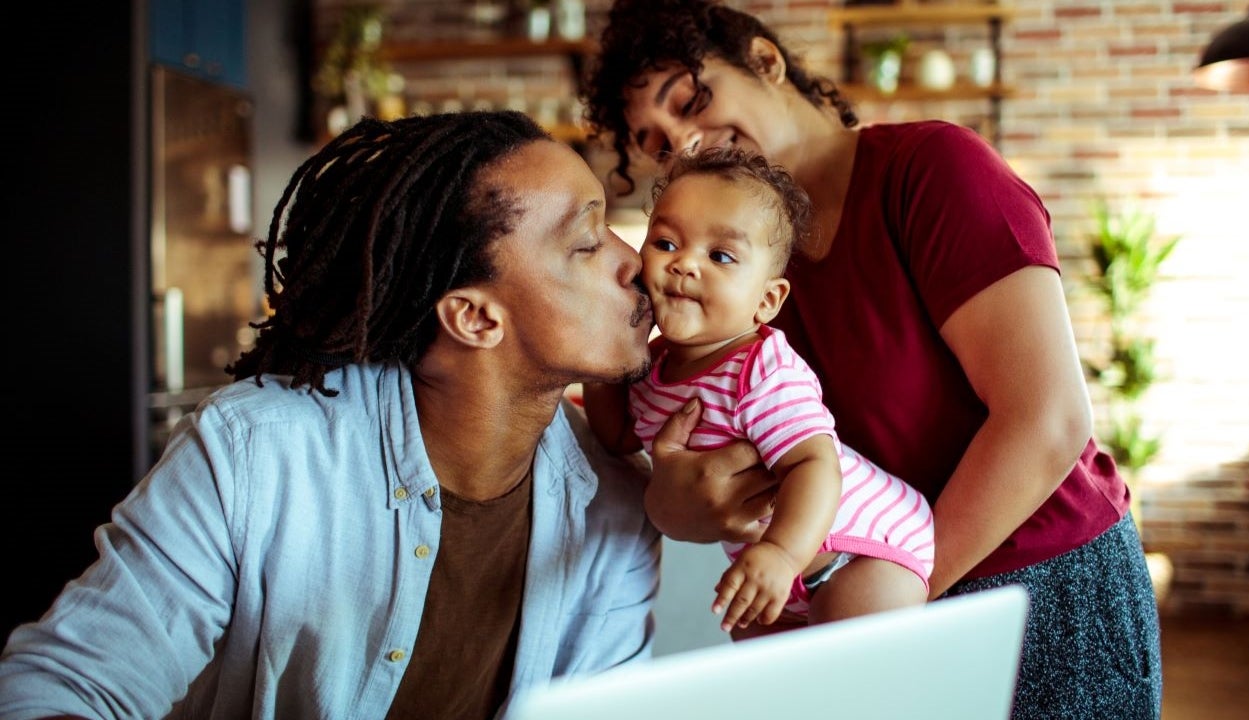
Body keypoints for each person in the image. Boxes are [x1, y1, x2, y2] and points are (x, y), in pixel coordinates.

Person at [580, 1, 1162, 718]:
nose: (688, 142)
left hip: (1040, 586)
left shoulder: (932, 170)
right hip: (864, 601)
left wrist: (893, 605)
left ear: (766, 61)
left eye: (691, 101)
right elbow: (721, 462)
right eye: (658, 143)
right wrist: (681, 506)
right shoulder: (730, 284)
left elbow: (1047, 421)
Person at [0, 111, 661, 720]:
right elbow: (59, 686)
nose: (635, 262)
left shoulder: (620, 500)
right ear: (475, 317)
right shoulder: (253, 455)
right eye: (586, 243)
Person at [584, 146, 933, 636]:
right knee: (768, 679)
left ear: (767, 300)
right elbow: (617, 436)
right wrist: (602, 362)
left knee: (845, 670)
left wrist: (781, 552)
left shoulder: (762, 369)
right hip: (770, 566)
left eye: (721, 256)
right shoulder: (649, 366)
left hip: (861, 548)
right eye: (665, 244)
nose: (685, 265)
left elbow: (815, 463)